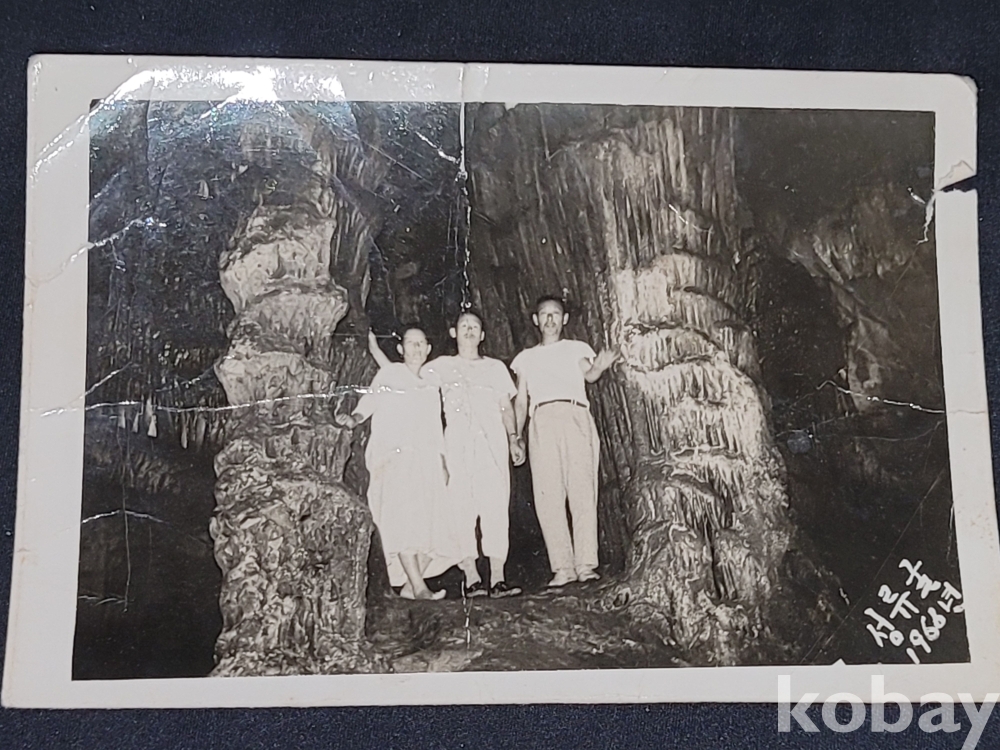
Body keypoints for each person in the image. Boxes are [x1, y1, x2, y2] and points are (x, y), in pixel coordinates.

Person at [367, 312, 526, 598]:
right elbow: (406, 374)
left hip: (491, 442)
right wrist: (376, 351)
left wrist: (514, 438)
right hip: (456, 443)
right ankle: (472, 578)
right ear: (454, 333)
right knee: (460, 508)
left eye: (475, 326)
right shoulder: (439, 367)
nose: (469, 330)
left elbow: (505, 406)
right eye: (464, 325)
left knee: (495, 505)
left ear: (482, 335)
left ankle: (498, 579)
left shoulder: (495, 368)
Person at [511, 296, 619, 588]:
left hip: (575, 415)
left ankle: (585, 564)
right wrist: (516, 436)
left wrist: (601, 365)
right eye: (544, 314)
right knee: (548, 495)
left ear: (564, 319)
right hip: (542, 419)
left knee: (582, 489)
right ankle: (562, 567)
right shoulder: (525, 358)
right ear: (536, 320)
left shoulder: (576, 348)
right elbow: (521, 401)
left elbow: (590, 374)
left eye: (555, 314)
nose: (550, 320)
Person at [335, 327, 447, 601]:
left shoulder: (431, 384)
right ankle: (419, 588)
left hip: (426, 460)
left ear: (428, 349)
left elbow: (435, 426)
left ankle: (410, 586)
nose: (416, 348)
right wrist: (354, 418)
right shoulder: (389, 374)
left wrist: (443, 461)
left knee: (434, 525)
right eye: (410, 343)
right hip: (396, 458)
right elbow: (372, 399)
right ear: (400, 349)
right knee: (403, 520)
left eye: (421, 343)